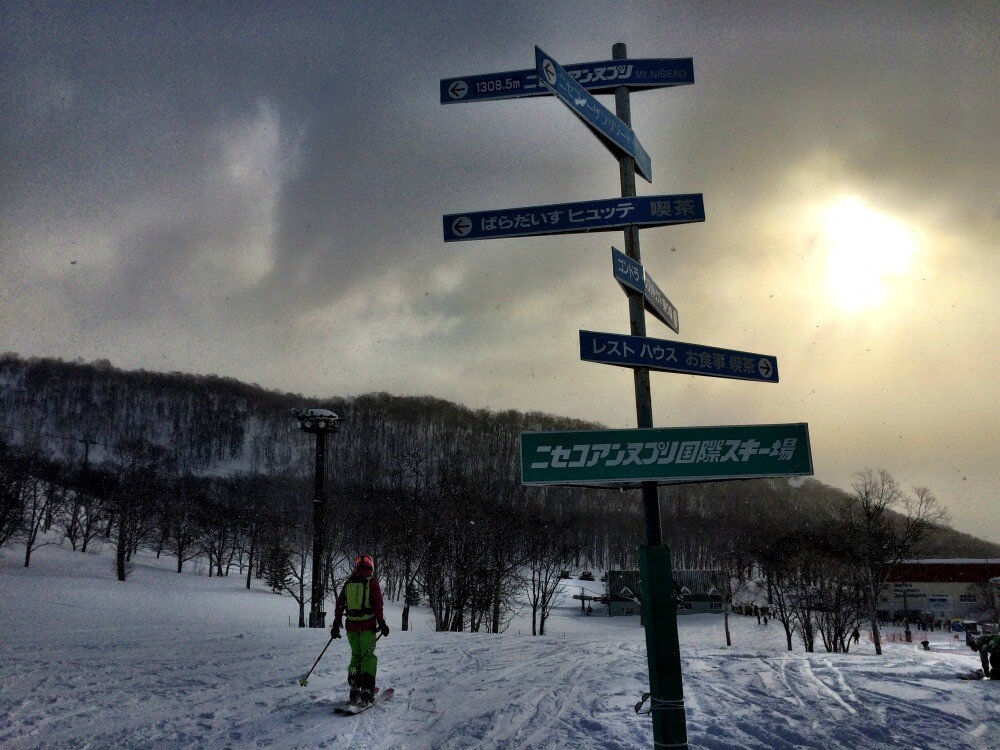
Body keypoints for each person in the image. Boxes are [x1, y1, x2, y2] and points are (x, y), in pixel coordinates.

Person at [331, 554, 390, 705]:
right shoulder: (372, 583)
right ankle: (367, 691)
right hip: (366, 628)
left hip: (351, 628)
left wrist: (336, 623)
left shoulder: (349, 582)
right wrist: (382, 623)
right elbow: (378, 605)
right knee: (368, 657)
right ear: (371, 567)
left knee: (356, 656)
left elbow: (339, 604)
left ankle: (354, 688)